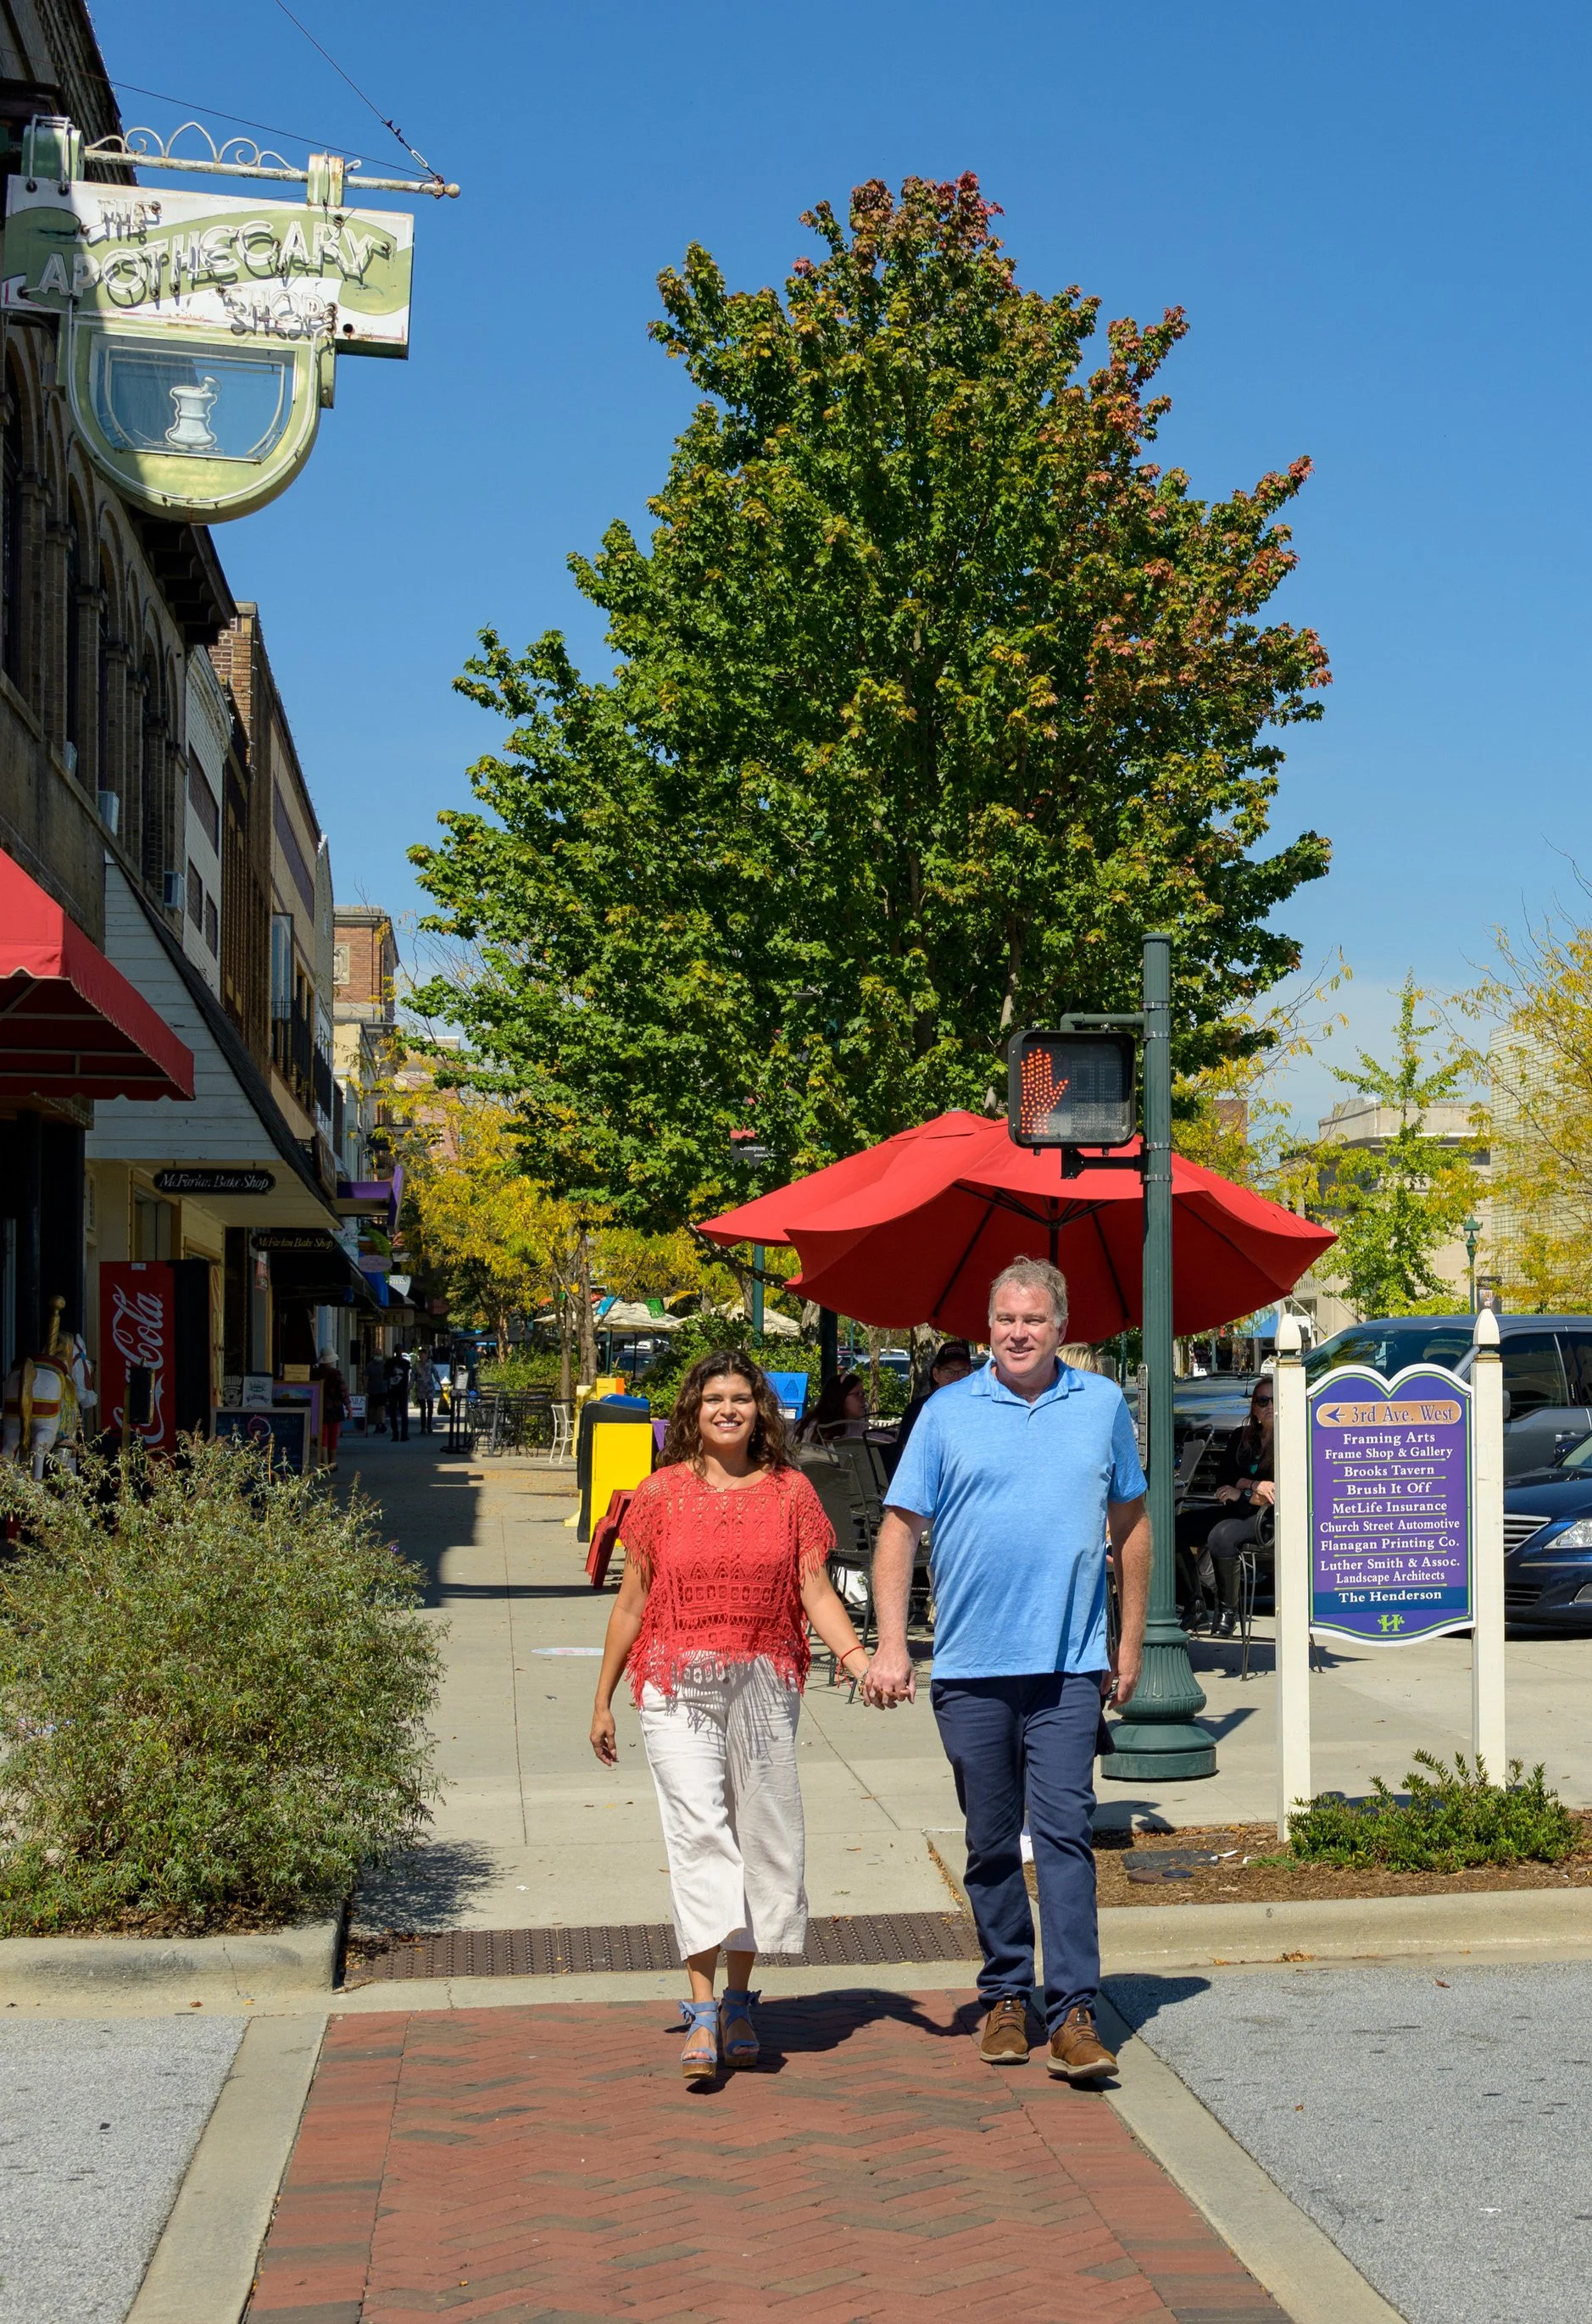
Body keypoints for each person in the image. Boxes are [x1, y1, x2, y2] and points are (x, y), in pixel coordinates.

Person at [865, 1258, 1150, 2084]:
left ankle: (1072, 2015)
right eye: (1005, 1320)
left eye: (1034, 1319)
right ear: (988, 1327)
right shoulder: (947, 1414)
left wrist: (1127, 1642)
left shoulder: (1099, 1407)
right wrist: (891, 1645)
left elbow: (1130, 1528)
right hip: (970, 1667)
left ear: (1062, 1327)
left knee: (1063, 1835)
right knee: (990, 1843)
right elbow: (897, 1533)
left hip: (1067, 1667)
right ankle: (1005, 1997)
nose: (1018, 1333)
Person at [589, 1349, 873, 2086]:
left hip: (763, 1681)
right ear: (693, 1409)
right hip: (675, 1684)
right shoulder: (657, 1497)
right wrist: (603, 1698)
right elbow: (632, 1603)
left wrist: (856, 1659)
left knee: (762, 1837)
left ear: (760, 1411)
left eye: (741, 1398)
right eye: (713, 1397)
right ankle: (704, 2007)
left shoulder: (790, 1493)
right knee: (700, 1834)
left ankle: (744, 2000)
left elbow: (814, 1590)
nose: (727, 1408)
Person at [1177, 1378, 1274, 1635]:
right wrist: (1252, 1486)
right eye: (1262, 1401)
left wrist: (1241, 1491)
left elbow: (1275, 1494)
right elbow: (1223, 1483)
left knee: (1221, 1536)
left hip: (1268, 1519)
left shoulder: (1291, 1441)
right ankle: (1195, 1604)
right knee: (1173, 1530)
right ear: (1254, 1408)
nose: (1269, 1406)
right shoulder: (1241, 1437)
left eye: (1275, 1400)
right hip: (1236, 1510)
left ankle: (1227, 1611)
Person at [885, 1340, 973, 1476]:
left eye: (962, 1372)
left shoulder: (978, 1410)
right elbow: (907, 1460)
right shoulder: (919, 1409)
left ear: (971, 1374)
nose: (956, 1379)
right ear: (936, 1374)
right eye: (949, 1372)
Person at [798, 1370, 868, 1443]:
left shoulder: (855, 1426)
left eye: (863, 1394)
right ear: (840, 1397)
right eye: (857, 1394)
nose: (864, 1400)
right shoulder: (814, 1429)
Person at [313, 1347, 348, 1471]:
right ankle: (332, 1461)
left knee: (323, 1435)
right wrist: (348, 1406)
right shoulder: (336, 1373)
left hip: (319, 1407)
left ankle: (323, 1462)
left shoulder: (314, 1373)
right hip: (335, 1408)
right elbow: (343, 1391)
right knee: (333, 1435)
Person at [385, 1348, 411, 1443]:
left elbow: (385, 1376)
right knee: (402, 1413)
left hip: (395, 1390)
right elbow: (407, 1376)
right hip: (399, 1390)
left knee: (395, 1413)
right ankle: (402, 1435)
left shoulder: (390, 1362)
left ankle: (397, 1435)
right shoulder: (405, 1363)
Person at [411, 1348, 437, 1435]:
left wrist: (441, 1385)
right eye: (420, 1355)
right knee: (423, 1408)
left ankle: (429, 1425)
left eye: (423, 1355)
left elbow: (435, 1373)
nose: (421, 1357)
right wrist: (409, 1387)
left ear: (426, 1355)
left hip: (429, 1388)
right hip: (420, 1389)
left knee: (430, 1407)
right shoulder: (416, 1365)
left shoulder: (430, 1363)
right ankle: (423, 1427)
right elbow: (413, 1377)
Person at [363, 1350, 388, 1435]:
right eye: (377, 1354)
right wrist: (366, 1389)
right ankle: (378, 1424)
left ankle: (382, 1424)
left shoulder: (385, 1364)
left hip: (383, 1389)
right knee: (376, 1408)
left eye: (379, 1354)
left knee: (382, 1407)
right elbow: (366, 1377)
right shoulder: (370, 1365)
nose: (378, 1356)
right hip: (373, 1389)